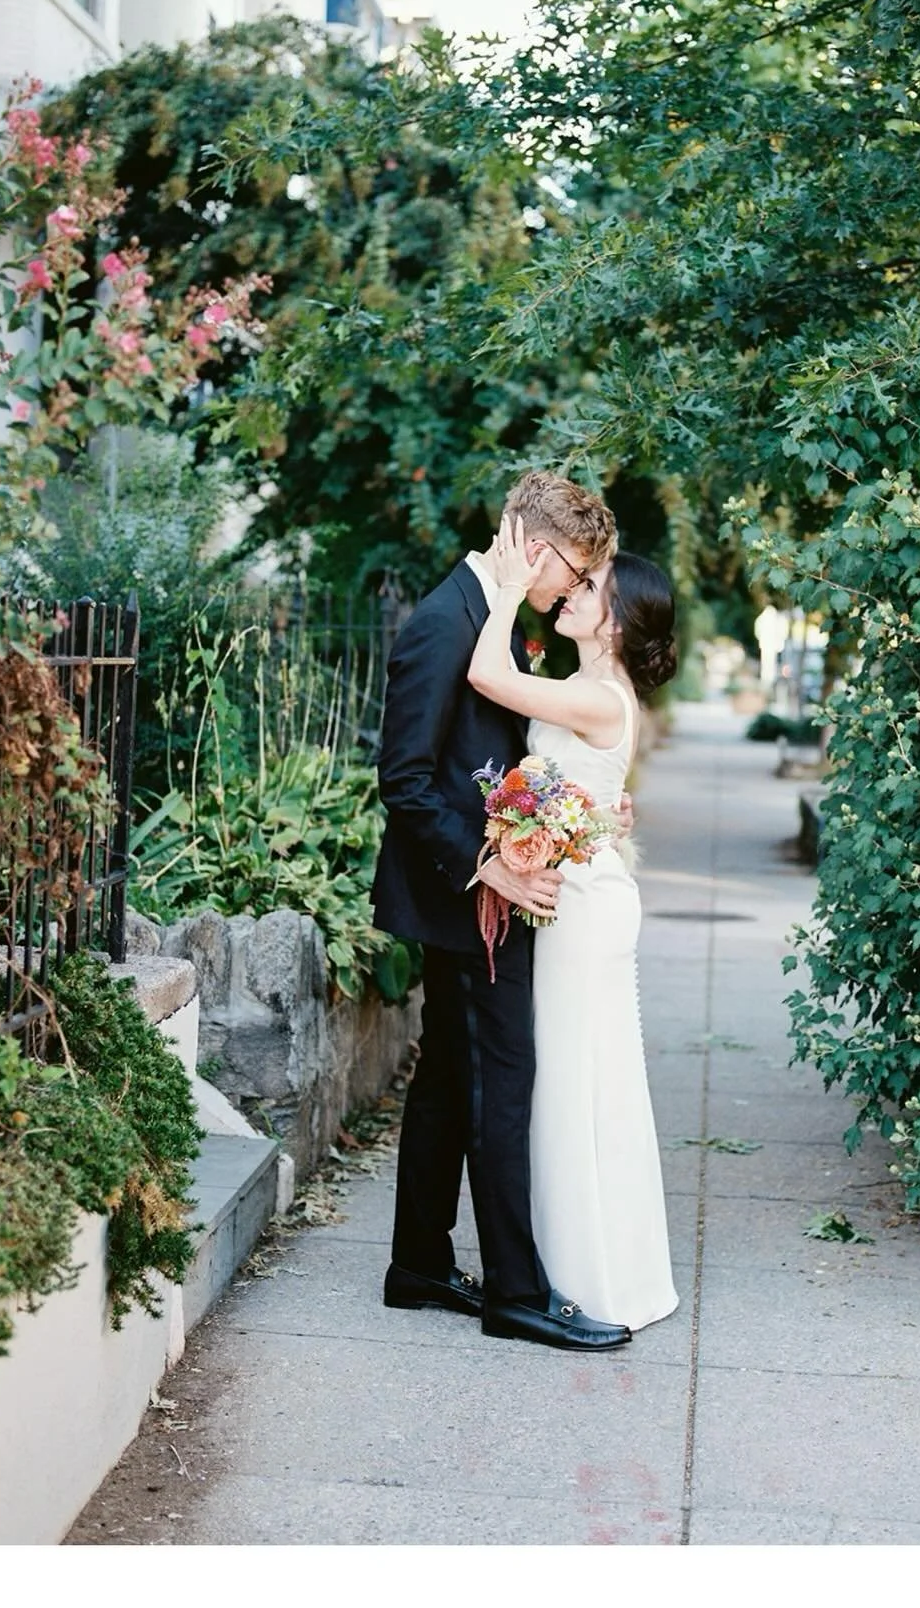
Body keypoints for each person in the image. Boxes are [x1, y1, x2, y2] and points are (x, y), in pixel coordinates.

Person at [371, 472, 632, 1350]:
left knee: (451, 1076)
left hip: (484, 889)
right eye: (575, 572)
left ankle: (418, 1261)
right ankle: (516, 1293)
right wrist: (488, 867)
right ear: (539, 549)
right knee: (501, 1080)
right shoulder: (445, 621)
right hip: (466, 899)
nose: (570, 591)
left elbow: (500, 758)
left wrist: (580, 813)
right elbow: (405, 780)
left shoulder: (493, 614)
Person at [466, 513, 680, 1332]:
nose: (574, 592)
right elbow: (589, 791)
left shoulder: (595, 694)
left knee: (574, 1084)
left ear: (615, 624)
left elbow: (486, 674)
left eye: (590, 589)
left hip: (583, 910)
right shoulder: (597, 688)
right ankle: (589, 1267)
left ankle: (586, 1276)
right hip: (587, 892)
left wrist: (509, 588)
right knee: (584, 1082)